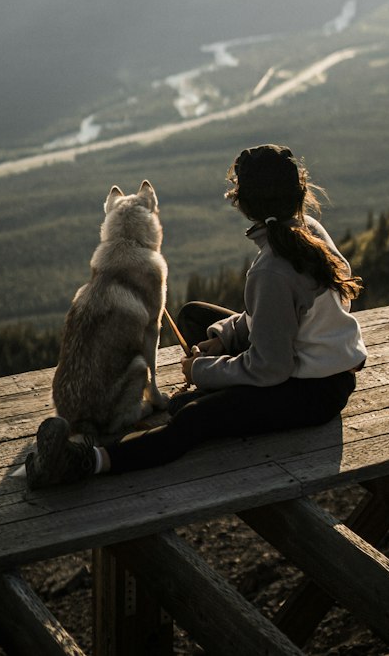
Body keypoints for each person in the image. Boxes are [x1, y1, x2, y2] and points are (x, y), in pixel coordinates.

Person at [25, 143, 366, 489]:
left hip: (311, 392)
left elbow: (270, 368)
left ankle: (86, 462)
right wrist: (224, 336)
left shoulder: (271, 270)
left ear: (244, 205)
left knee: (193, 419)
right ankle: (200, 393)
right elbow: (278, 316)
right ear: (300, 191)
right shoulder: (307, 229)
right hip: (317, 365)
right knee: (193, 315)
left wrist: (202, 371)